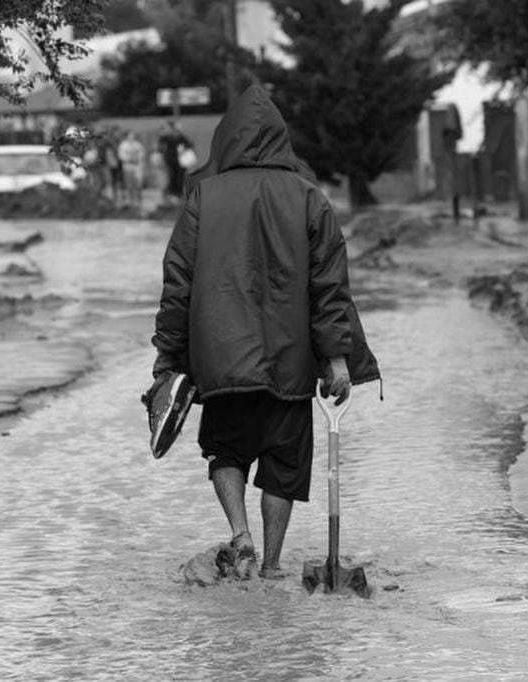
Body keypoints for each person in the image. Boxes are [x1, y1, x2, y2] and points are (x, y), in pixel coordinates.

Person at [149, 84, 380, 579]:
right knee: (284, 464)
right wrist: (337, 357)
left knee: (225, 449)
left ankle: (241, 536)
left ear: (224, 140)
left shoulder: (202, 198)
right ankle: (272, 567)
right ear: (282, 139)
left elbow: (178, 283)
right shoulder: (308, 199)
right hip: (290, 360)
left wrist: (168, 358)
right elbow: (329, 286)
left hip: (220, 357)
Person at [157, 120, 190, 201]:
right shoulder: (166, 137)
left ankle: (178, 194)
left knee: (179, 177)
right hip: (170, 160)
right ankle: (173, 194)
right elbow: (159, 146)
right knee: (172, 177)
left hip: (180, 161)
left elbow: (189, 144)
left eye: (168, 127)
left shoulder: (179, 135)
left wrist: (183, 147)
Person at [118, 130, 146, 207]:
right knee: (129, 184)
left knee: (138, 184)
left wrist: (137, 158)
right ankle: (130, 200)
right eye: (130, 136)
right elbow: (121, 155)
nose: (132, 137)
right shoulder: (123, 145)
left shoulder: (138, 145)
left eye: (133, 136)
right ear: (127, 137)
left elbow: (142, 153)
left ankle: (139, 200)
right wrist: (129, 159)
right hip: (127, 166)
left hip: (137, 166)